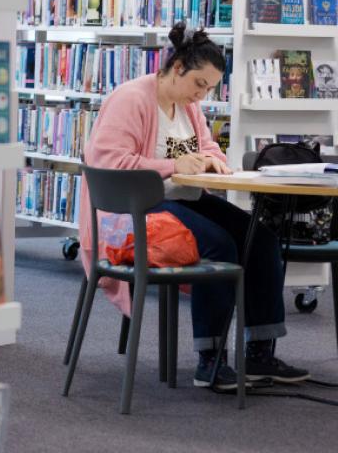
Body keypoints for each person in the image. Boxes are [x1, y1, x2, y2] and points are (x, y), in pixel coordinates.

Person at [79, 22, 310, 389]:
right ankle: (210, 359)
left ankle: (258, 355)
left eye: (210, 89)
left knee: (260, 237)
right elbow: (107, 161)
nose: (201, 96)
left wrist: (214, 160)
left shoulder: (188, 108)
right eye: (199, 85)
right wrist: (173, 165)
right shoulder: (132, 98)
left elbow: (207, 146)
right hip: (136, 209)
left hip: (181, 199)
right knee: (219, 244)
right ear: (177, 69)